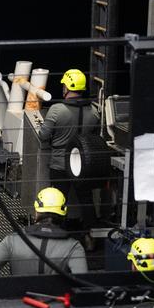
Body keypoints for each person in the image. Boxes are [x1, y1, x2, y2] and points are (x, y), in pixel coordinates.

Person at [37, 68, 99, 230]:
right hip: (82, 166)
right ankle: (90, 236)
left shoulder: (57, 110)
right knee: (86, 200)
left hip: (60, 165)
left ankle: (57, 233)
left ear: (67, 88)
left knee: (56, 201)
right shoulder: (94, 112)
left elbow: (43, 135)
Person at [0, 187, 88, 275]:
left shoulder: (12, 240)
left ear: (36, 212)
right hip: (57, 295)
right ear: (64, 214)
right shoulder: (74, 247)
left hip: (19, 294)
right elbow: (82, 283)